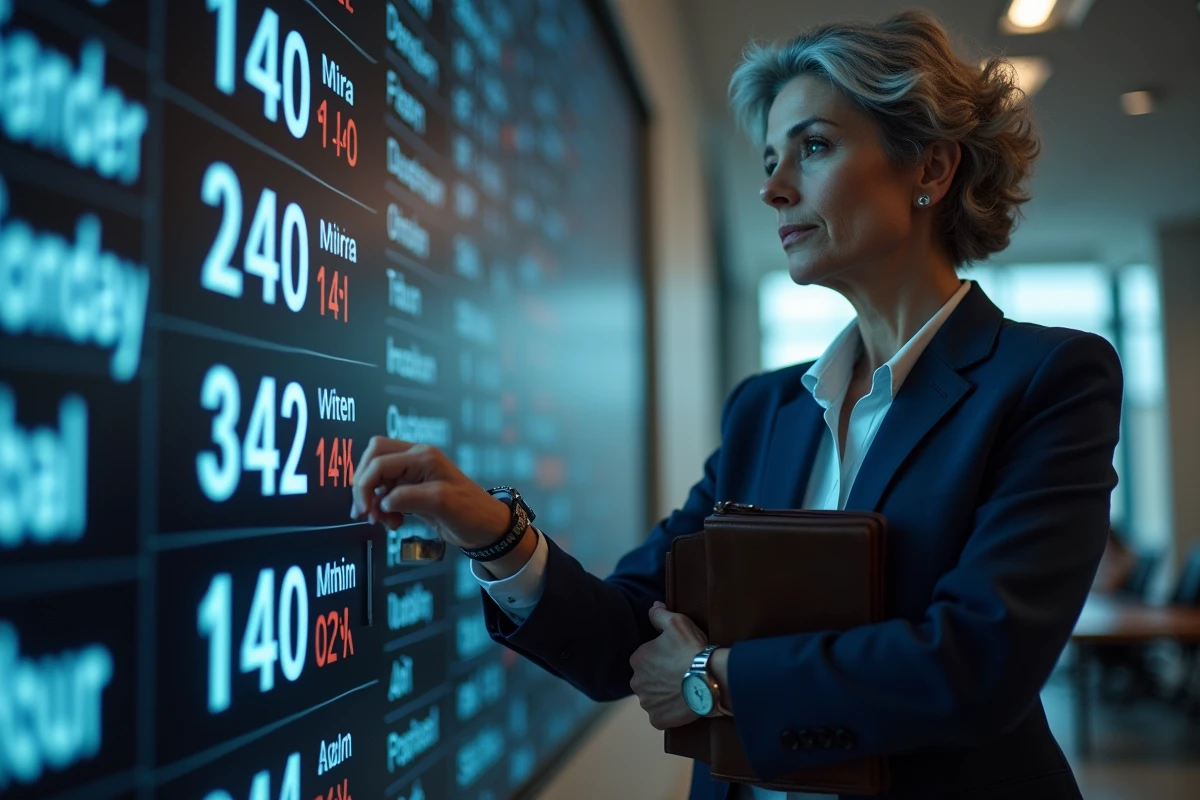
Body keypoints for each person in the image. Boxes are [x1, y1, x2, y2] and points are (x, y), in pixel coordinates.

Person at [351, 10, 1123, 800]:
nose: (772, 185)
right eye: (769, 156)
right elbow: (627, 633)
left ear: (930, 168)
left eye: (813, 146)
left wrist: (709, 678)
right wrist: (495, 532)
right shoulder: (767, 410)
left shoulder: (1048, 377)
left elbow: (975, 663)